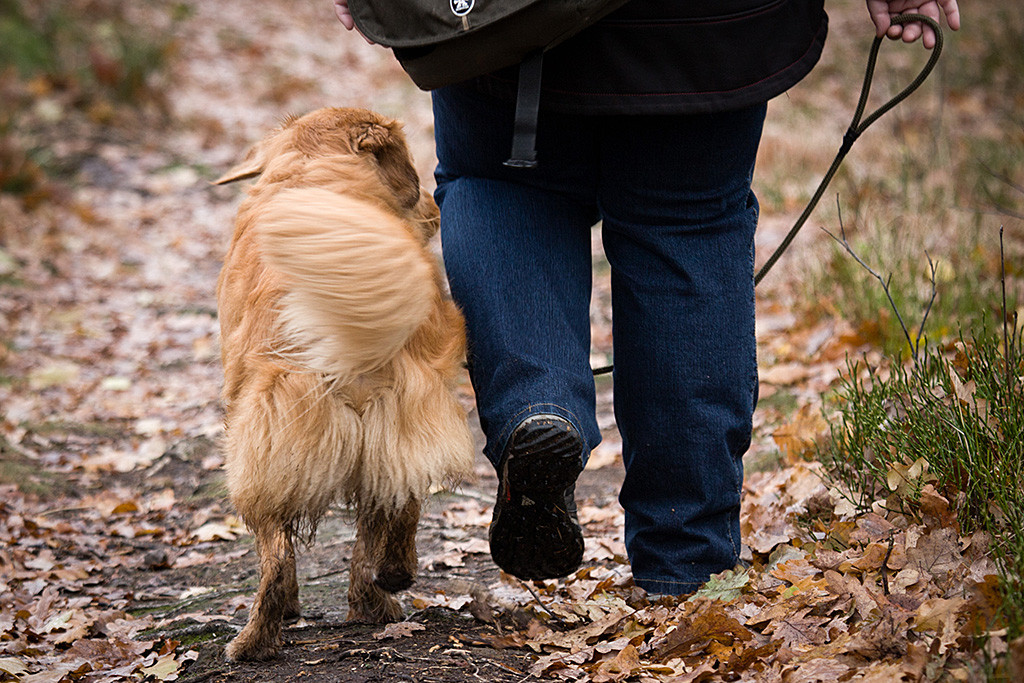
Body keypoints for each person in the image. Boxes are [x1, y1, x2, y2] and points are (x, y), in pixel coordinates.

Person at [334, 0, 961, 594]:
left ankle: (538, 406)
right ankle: (684, 568)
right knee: (686, 228)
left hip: (504, 23)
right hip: (705, 29)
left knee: (503, 187)